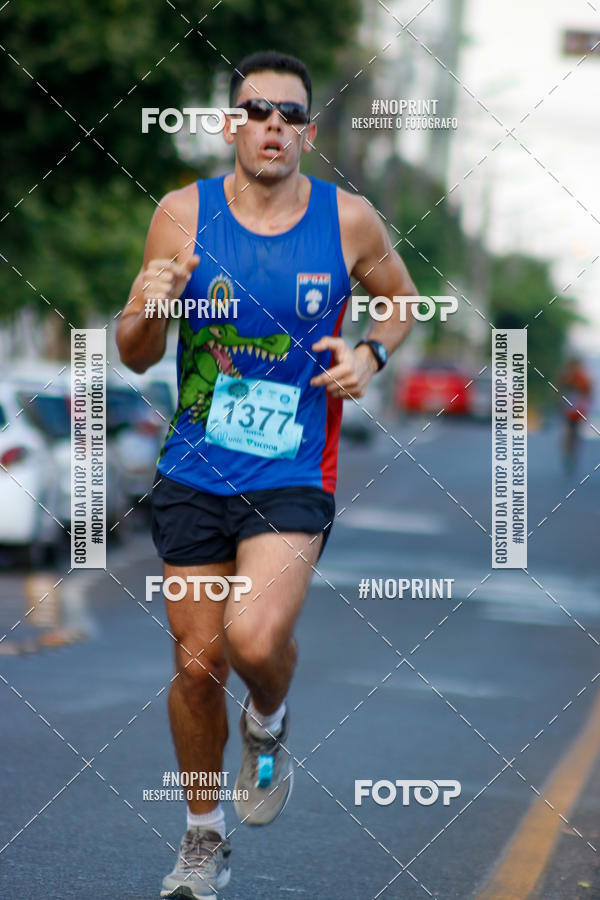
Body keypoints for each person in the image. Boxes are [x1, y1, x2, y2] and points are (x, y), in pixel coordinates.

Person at [117, 49, 417, 899]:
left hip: (292, 464)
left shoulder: (347, 220)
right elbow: (136, 351)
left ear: (308, 133)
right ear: (231, 124)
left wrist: (370, 352)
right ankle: (202, 837)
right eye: (257, 112)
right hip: (193, 465)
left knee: (252, 641)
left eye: (289, 115)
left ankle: (270, 718)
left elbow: (399, 298)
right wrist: (149, 304)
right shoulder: (181, 215)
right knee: (198, 664)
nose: (272, 127)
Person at [559, 355, 592, 473]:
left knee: (574, 434)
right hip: (569, 411)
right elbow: (559, 390)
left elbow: (588, 394)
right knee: (569, 434)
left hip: (578, 411)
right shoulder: (566, 377)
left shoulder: (583, 378)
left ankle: (572, 455)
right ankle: (568, 454)